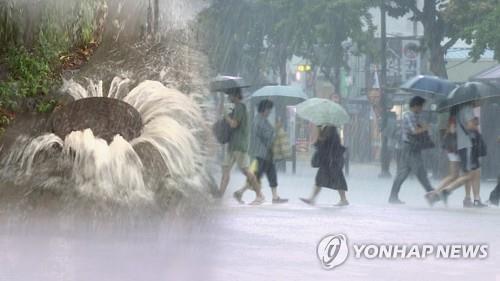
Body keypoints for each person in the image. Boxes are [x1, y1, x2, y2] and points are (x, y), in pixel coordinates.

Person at [233, 100, 288, 204]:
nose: (270, 112)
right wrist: (277, 129)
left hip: (265, 154)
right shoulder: (261, 121)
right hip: (262, 154)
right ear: (265, 109)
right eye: (269, 110)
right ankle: (250, 194)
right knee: (256, 176)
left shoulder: (259, 119)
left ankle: (274, 196)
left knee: (271, 174)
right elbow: (268, 138)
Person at [218, 87, 264, 204]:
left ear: (235, 95)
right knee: (226, 169)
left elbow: (234, 124)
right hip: (233, 144)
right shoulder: (235, 108)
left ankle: (259, 194)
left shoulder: (240, 107)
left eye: (230, 95)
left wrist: (226, 115)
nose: (229, 97)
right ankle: (219, 196)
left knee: (246, 171)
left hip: (239, 145)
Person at [432, 114, 487, 207]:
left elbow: (451, 129)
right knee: (471, 174)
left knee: (456, 175)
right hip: (463, 147)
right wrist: (473, 124)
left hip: (455, 148)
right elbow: (455, 130)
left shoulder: (454, 114)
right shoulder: (463, 112)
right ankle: (447, 191)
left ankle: (434, 194)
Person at [388, 96, 436, 205]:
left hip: (411, 147)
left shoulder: (416, 116)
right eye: (421, 106)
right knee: (420, 172)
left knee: (403, 173)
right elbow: (414, 131)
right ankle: (431, 193)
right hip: (410, 147)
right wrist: (425, 128)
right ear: (415, 106)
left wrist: (424, 126)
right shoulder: (408, 116)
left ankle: (393, 196)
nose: (422, 109)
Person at [425, 108, 472, 207]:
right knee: (468, 175)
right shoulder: (463, 114)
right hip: (460, 147)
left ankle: (433, 194)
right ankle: (446, 192)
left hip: (451, 147)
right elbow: (453, 130)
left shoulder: (451, 115)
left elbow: (448, 130)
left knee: (453, 175)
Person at [300, 125, 348, 207]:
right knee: (320, 179)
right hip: (327, 161)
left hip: (333, 161)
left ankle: (344, 199)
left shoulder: (332, 131)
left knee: (338, 179)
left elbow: (329, 146)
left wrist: (320, 138)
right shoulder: (326, 130)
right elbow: (321, 145)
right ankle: (312, 199)